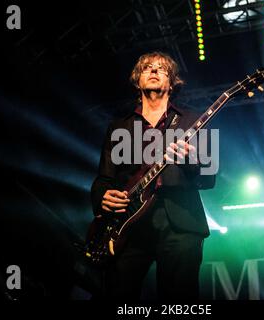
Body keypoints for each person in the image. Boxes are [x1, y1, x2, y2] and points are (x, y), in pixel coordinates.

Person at [90, 51, 216, 300]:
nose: (155, 71)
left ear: (172, 83)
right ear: (138, 80)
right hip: (128, 226)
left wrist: (191, 162)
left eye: (162, 68)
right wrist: (102, 197)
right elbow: (103, 178)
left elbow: (209, 178)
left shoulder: (193, 121)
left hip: (180, 223)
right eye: (147, 67)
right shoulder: (119, 126)